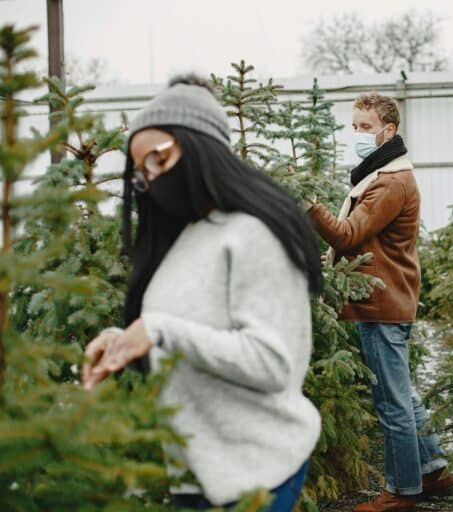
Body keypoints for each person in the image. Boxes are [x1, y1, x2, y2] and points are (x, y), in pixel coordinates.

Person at [81, 75, 322, 511]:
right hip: (195, 475)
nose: (151, 179)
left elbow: (272, 363)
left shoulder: (252, 234)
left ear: (199, 147)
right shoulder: (186, 237)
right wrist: (124, 343)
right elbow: (184, 334)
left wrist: (158, 330)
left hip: (257, 472)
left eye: (157, 160)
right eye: (142, 173)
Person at [305, 92, 453, 512]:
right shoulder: (381, 174)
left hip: (382, 303)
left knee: (392, 403)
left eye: (365, 127)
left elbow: (347, 234)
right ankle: (433, 470)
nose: (357, 134)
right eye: (354, 126)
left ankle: (402, 491)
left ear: (388, 131)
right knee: (402, 393)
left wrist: (310, 206)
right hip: (385, 297)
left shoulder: (390, 183)